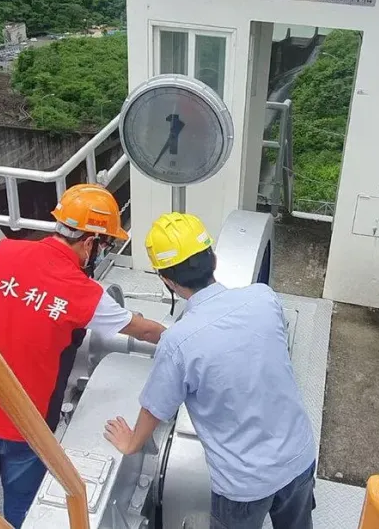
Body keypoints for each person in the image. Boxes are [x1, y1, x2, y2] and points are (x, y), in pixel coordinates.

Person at [0, 184, 166, 527]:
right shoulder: (84, 293)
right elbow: (142, 330)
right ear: (89, 243)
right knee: (21, 506)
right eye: (104, 244)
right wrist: (180, 338)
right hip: (26, 425)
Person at [103, 212, 317, 529]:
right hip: (299, 455)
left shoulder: (178, 343)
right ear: (213, 259)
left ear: (166, 280)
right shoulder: (263, 297)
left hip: (244, 485)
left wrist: (131, 444)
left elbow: (156, 408)